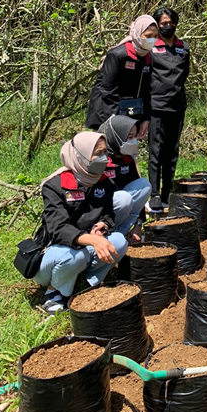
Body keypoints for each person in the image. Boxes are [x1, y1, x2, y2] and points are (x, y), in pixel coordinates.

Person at [33, 132, 129, 315]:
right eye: (97, 154)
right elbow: (58, 229)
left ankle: (86, 282)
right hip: (56, 252)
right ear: (80, 156)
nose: (104, 158)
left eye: (104, 152)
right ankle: (54, 292)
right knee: (74, 257)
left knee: (118, 241)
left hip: (82, 248)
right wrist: (93, 241)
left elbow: (108, 213)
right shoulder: (55, 186)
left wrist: (103, 225)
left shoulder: (104, 181)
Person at [86, 15, 158, 138]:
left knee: (128, 153)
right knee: (106, 152)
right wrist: (117, 122)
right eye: (148, 36)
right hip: (108, 112)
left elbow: (146, 91)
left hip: (131, 112)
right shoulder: (117, 54)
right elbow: (107, 90)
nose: (152, 40)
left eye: (155, 36)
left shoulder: (148, 57)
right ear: (137, 33)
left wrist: (145, 118)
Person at [147, 7, 190, 213]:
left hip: (177, 106)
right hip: (156, 106)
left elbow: (185, 74)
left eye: (170, 22)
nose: (167, 26)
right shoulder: (152, 47)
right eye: (163, 23)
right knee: (156, 152)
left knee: (172, 153)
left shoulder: (184, 47)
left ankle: (166, 193)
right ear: (157, 25)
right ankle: (154, 194)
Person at [98, 115, 151, 242]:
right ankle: (107, 234)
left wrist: (138, 224)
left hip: (122, 208)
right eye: (130, 137)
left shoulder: (126, 158)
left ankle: (122, 232)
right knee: (123, 199)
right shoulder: (99, 161)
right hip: (101, 213)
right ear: (116, 136)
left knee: (144, 185)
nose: (133, 141)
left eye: (134, 136)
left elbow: (139, 196)